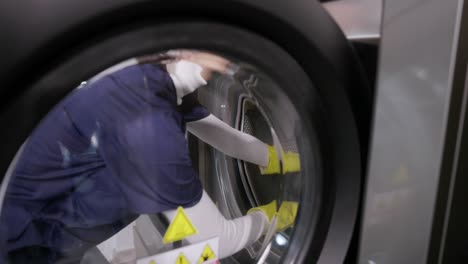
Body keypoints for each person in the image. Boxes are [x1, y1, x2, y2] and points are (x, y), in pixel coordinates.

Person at [1, 51, 300, 263]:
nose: (230, 59)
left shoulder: (152, 77)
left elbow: (213, 130)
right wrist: (275, 218)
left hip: (53, 225)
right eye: (225, 48)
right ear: (187, 47)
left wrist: (275, 158)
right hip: (28, 247)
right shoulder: (145, 121)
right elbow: (218, 241)